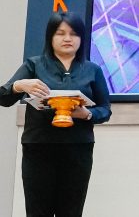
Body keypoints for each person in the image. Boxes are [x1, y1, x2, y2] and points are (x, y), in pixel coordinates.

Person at [0, 12, 112, 217]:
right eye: (60, 33)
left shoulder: (93, 70)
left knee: (71, 211)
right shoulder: (33, 65)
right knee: (37, 211)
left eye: (74, 34)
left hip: (78, 150)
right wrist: (19, 85)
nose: (67, 38)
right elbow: (3, 99)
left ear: (81, 38)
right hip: (39, 148)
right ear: (50, 37)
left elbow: (105, 110)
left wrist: (87, 114)